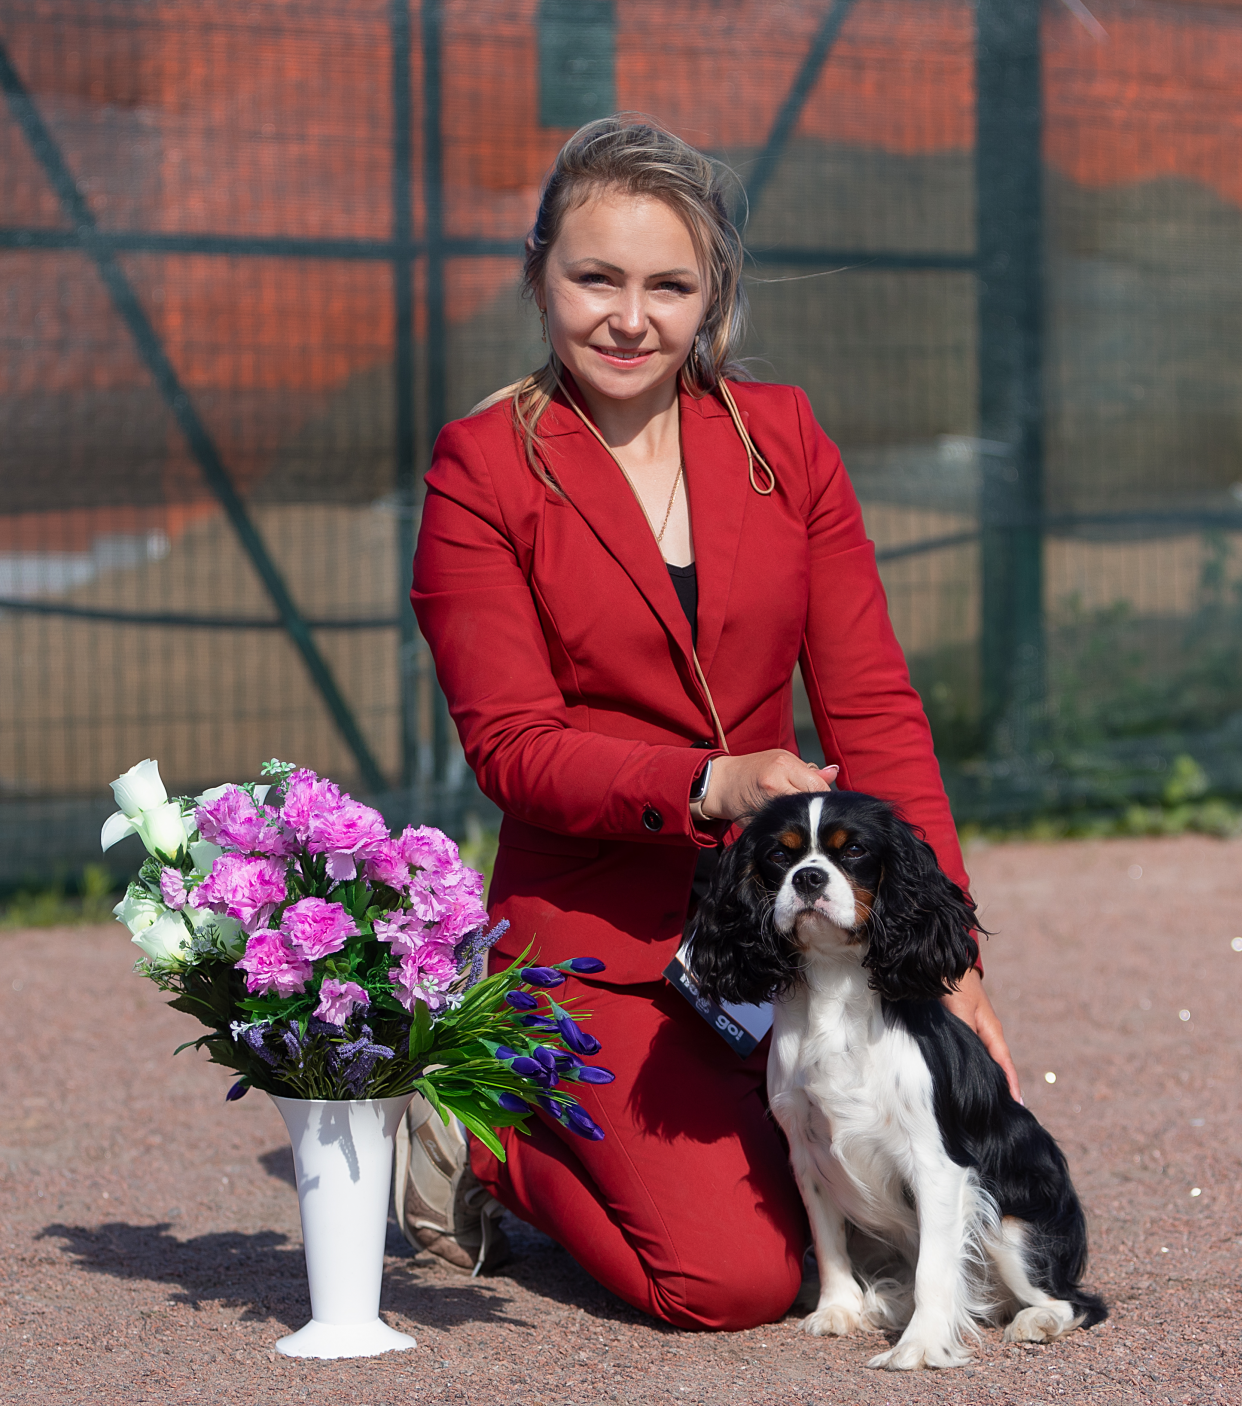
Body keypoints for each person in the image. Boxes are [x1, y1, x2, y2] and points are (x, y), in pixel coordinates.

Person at [401, 115, 1021, 1331]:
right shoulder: (479, 467)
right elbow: (511, 749)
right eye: (595, 277)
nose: (629, 318)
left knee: (961, 1214)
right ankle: (482, 1126)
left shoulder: (783, 438)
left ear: (712, 295)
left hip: (786, 940)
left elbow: (875, 714)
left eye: (667, 285)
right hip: (600, 944)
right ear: (539, 272)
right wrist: (711, 785)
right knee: (731, 1281)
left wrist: (951, 967)